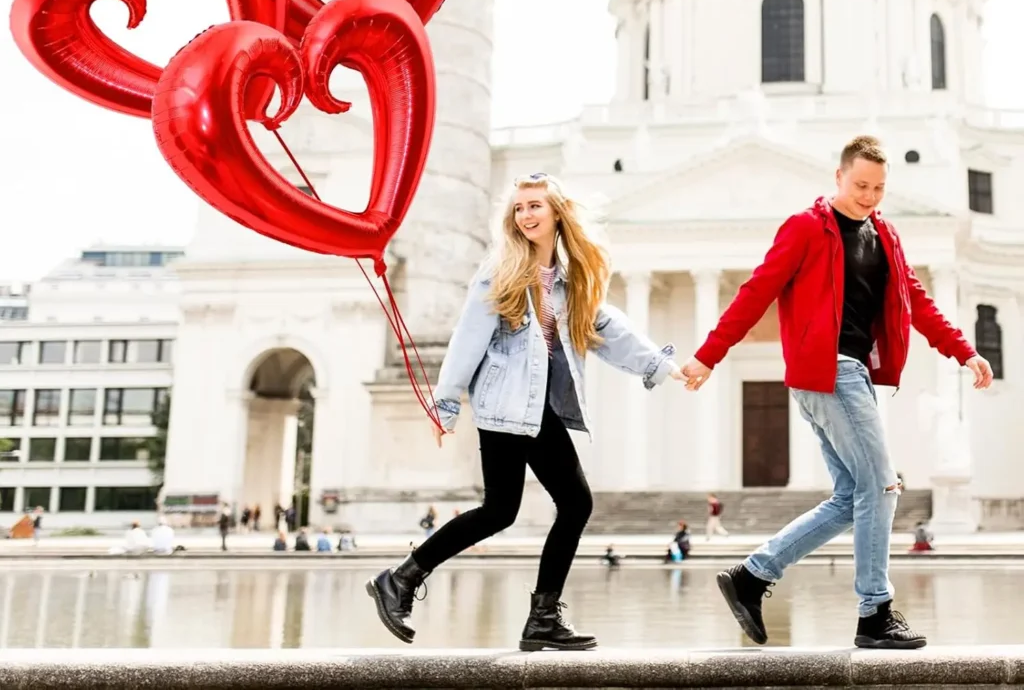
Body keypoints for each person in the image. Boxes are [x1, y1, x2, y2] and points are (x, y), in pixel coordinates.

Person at [681, 135, 993, 650]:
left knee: (854, 496)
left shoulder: (886, 235)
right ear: (838, 177)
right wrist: (709, 354)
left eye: (879, 187)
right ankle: (875, 612)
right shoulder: (806, 227)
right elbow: (756, 291)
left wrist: (963, 351)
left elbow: (916, 301)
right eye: (860, 185)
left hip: (856, 375)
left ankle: (752, 576)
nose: (870, 195)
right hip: (827, 371)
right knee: (883, 486)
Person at [367, 172, 683, 651]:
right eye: (519, 208)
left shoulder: (569, 278)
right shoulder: (502, 268)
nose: (526, 215)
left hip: (536, 408)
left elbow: (606, 327)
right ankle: (429, 587)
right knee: (555, 505)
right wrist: (446, 403)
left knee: (511, 509)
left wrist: (658, 364)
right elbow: (468, 335)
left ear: (557, 212)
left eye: (535, 205)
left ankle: (412, 582)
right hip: (504, 404)